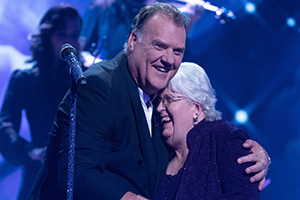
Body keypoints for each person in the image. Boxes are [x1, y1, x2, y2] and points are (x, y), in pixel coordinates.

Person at [28, 3, 269, 200]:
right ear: (133, 40)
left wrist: (254, 154)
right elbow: (78, 172)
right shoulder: (99, 87)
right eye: (159, 46)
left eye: (178, 51)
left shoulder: (157, 94)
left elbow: (203, 136)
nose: (168, 59)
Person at [0, 4, 83, 200]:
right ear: (48, 35)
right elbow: (5, 124)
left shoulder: (82, 79)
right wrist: (29, 151)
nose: (68, 41)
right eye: (62, 33)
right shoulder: (26, 79)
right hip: (40, 175)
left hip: (79, 176)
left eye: (74, 35)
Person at [154, 62, 260, 199]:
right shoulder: (159, 154)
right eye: (159, 101)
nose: (159, 108)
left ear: (196, 107)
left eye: (168, 100)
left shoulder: (222, 136)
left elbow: (244, 195)